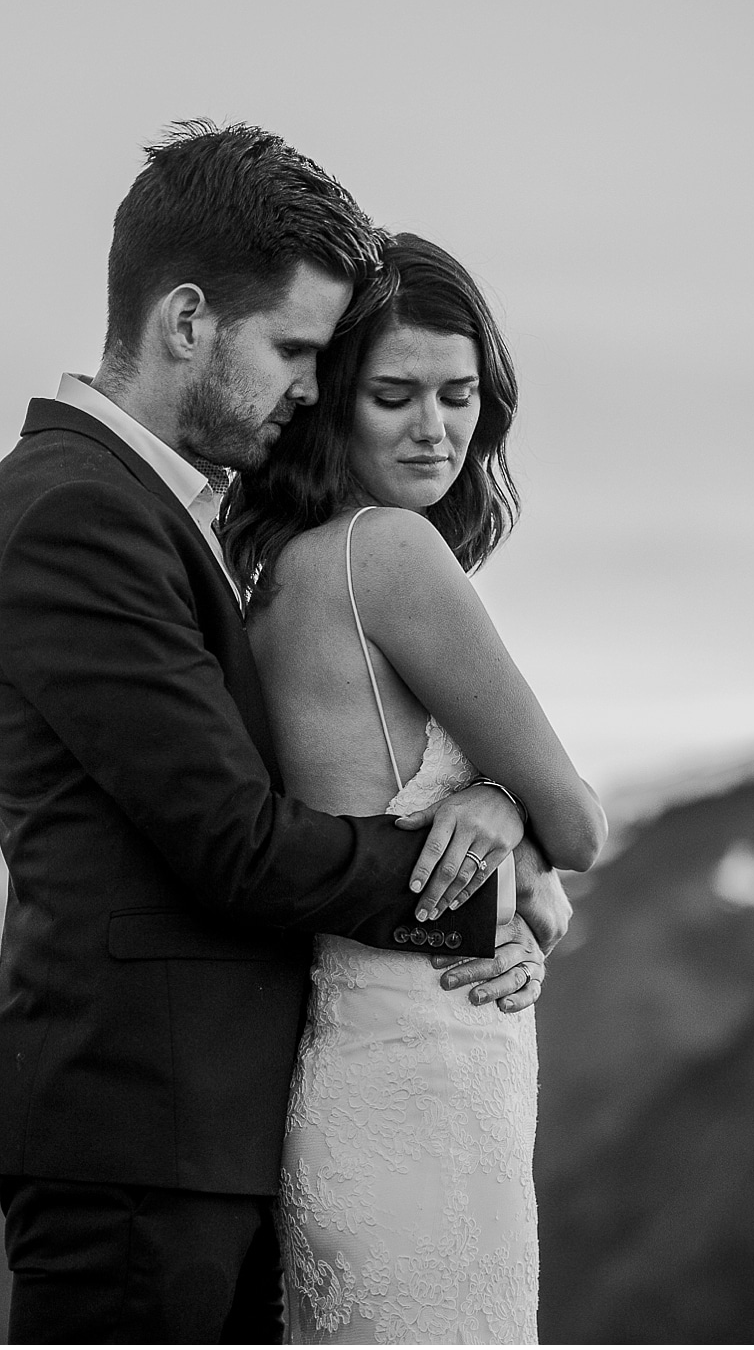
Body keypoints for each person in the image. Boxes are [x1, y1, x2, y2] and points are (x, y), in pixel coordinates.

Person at [0, 120, 569, 1343]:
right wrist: (480, 892)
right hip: (135, 1135)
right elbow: (228, 839)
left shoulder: (170, 517)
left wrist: (502, 825)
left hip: (213, 1130)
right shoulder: (73, 516)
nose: (306, 388)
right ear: (186, 322)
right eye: (292, 349)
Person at [222, 232, 609, 1342]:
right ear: (335, 400)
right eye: (393, 395)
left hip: (349, 1072)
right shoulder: (387, 554)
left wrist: (496, 806)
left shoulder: (280, 565)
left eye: (459, 394)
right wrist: (516, 810)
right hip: (433, 1086)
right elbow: (577, 822)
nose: (434, 428)